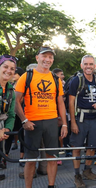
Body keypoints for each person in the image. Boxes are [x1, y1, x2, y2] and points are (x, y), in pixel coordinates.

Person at [15, 46, 68, 188]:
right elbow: (16, 101)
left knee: (52, 158)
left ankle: (51, 186)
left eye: (50, 57)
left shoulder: (55, 79)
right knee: (30, 159)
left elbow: (61, 103)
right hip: (32, 122)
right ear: (37, 57)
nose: (48, 59)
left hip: (51, 122)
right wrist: (24, 120)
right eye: (45, 56)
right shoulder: (27, 76)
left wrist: (64, 124)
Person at [69, 55, 96, 188]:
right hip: (80, 119)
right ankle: (77, 175)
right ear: (81, 65)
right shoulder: (76, 81)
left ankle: (87, 171)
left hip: (95, 118)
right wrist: (72, 122)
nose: (88, 66)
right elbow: (71, 101)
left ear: (95, 66)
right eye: (86, 64)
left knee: (92, 147)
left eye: (91, 64)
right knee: (77, 148)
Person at [0, 55, 16, 181]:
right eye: (5, 67)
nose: (8, 71)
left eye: (12, 68)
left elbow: (11, 114)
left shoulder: (10, 90)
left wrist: (7, 129)